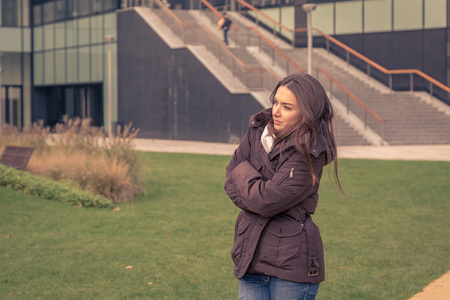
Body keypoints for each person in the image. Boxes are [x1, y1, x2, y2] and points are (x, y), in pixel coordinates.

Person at [224, 73, 345, 299]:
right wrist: (253, 189)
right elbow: (229, 180)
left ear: (307, 112)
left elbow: (265, 201)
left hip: (291, 265)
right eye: (275, 102)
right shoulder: (257, 131)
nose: (276, 111)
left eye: (287, 107)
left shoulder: (310, 152)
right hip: (250, 256)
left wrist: (243, 172)